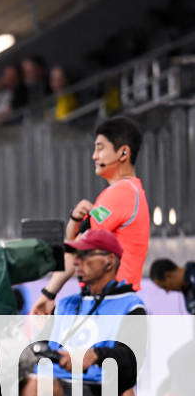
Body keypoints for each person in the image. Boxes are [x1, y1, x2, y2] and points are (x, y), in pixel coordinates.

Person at [20, 229, 143, 396]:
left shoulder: (130, 305)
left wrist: (96, 355)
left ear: (109, 260)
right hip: (55, 385)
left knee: (36, 386)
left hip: (94, 393)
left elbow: (132, 362)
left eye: (85, 255)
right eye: (76, 255)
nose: (77, 261)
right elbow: (39, 347)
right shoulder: (64, 304)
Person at [32, 117, 149, 314]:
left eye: (100, 148)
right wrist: (76, 220)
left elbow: (79, 247)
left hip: (110, 303)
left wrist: (48, 294)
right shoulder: (126, 191)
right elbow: (75, 243)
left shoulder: (121, 193)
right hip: (107, 300)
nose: (94, 156)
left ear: (123, 152)